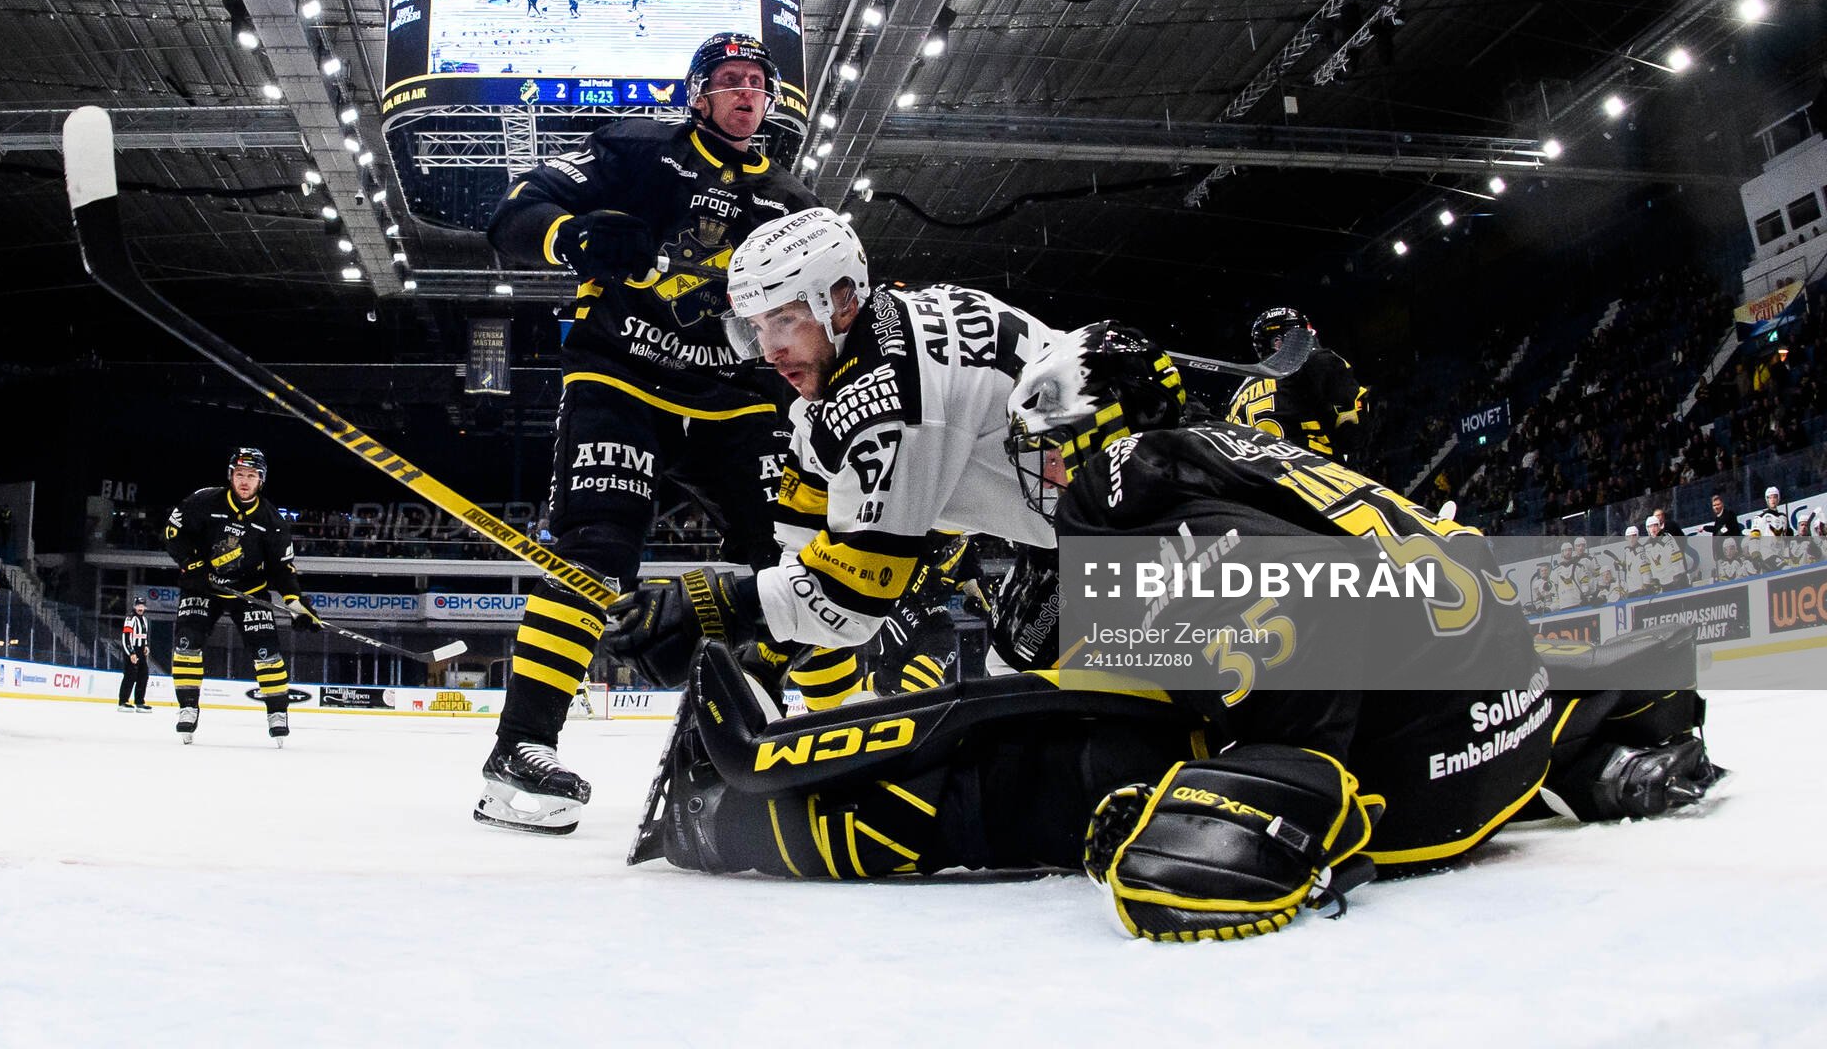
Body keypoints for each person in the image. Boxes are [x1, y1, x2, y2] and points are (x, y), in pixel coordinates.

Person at [628, 322, 1722, 942]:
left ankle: (730, 814)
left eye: (1048, 448)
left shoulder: (1131, 487)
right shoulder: (1234, 446)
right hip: (1506, 725)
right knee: (1116, 681)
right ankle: (1612, 738)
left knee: (1058, 755)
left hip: (1410, 774)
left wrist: (1263, 789)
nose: (1044, 473)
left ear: (1092, 432)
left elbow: (1301, 639)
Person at [477, 33, 814, 834]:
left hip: (731, 394)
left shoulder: (794, 200)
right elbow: (515, 215)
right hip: (621, 378)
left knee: (790, 557)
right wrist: (577, 236)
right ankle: (517, 752)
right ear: (699, 93)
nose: (746, 94)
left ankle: (758, 736)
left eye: (757, 84)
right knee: (596, 549)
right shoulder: (635, 147)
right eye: (729, 81)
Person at [607, 206, 1059, 709]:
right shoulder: (855, 369)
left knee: (1098, 729)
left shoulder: (888, 395)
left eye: (784, 319)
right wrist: (766, 649)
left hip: (1137, 528)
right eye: (757, 326)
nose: (770, 348)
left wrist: (720, 606)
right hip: (1076, 529)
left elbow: (852, 598)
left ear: (842, 298)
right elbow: (802, 552)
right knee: (1022, 691)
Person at [163, 447, 322, 746]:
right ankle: (187, 706)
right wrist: (192, 564)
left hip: (248, 590)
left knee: (267, 652)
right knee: (186, 643)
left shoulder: (272, 520)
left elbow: (282, 569)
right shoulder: (204, 501)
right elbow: (173, 533)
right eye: (239, 474)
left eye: (251, 475)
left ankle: (277, 713)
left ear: (261, 480)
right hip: (203, 586)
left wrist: (295, 603)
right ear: (230, 476)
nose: (244, 481)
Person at [1225, 306, 1367, 460]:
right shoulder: (1311, 360)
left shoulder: (1238, 393)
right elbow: (1353, 435)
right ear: (1278, 342)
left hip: (1255, 472)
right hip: (1307, 465)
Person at [117, 596, 151, 712]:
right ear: (134, 606)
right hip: (131, 650)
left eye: (142, 606)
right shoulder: (130, 619)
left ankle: (139, 701)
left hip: (141, 651)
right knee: (130, 676)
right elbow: (126, 638)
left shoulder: (145, 620)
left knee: (143, 675)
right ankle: (123, 701)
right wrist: (131, 653)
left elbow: (144, 636)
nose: (140, 608)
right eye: (138, 606)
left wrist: (146, 646)